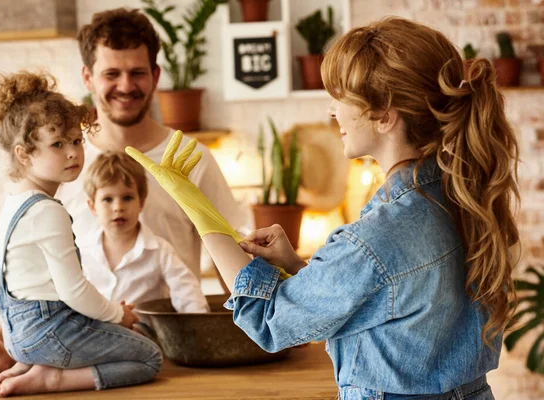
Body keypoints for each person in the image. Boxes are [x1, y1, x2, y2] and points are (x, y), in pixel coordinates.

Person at [127, 17, 521, 399]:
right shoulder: (463, 198)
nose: (332, 111)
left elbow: (271, 322)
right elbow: (384, 298)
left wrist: (195, 208)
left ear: (384, 115)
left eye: (341, 98)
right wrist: (299, 267)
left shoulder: (379, 235)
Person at [0, 71, 162, 397]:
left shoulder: (14, 204)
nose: (73, 153)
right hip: (47, 334)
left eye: (77, 141)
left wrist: (106, 314)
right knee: (149, 356)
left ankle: (32, 365)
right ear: (24, 154)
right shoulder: (47, 211)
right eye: (57, 144)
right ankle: (52, 378)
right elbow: (74, 291)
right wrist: (119, 315)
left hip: (17, 335)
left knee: (101, 327)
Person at [55, 8, 249, 279]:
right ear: (88, 77)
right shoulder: (62, 161)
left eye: (137, 73)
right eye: (111, 74)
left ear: (155, 76)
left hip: (173, 320)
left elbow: (235, 264)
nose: (125, 86)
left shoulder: (192, 158)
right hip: (81, 322)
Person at [81, 151, 209, 333]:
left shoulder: (160, 250)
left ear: (141, 202)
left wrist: (200, 328)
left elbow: (186, 291)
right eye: (108, 199)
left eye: (127, 198)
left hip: (144, 336)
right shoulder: (81, 250)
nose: (118, 207)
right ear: (93, 206)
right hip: (94, 337)